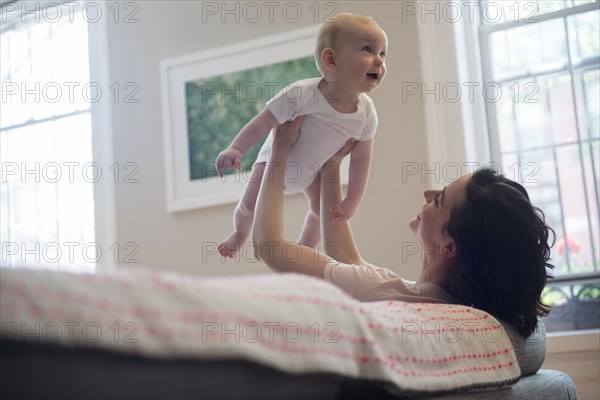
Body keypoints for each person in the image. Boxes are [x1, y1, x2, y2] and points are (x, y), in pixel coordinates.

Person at [252, 117, 555, 371]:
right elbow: (345, 258)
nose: (427, 192)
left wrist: (277, 151)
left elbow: (269, 247)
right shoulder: (438, 302)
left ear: (450, 246)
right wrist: (331, 166)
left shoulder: (390, 293)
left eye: (439, 199)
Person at [215, 13, 387, 258]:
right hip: (271, 163)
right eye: (368, 50)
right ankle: (239, 234)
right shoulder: (302, 94)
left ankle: (306, 247)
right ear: (331, 60)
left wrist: (352, 200)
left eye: (383, 53)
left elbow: (361, 160)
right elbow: (264, 121)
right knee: (247, 207)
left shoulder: (367, 113)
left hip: (311, 174)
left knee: (322, 212)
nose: (379, 61)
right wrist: (236, 149)